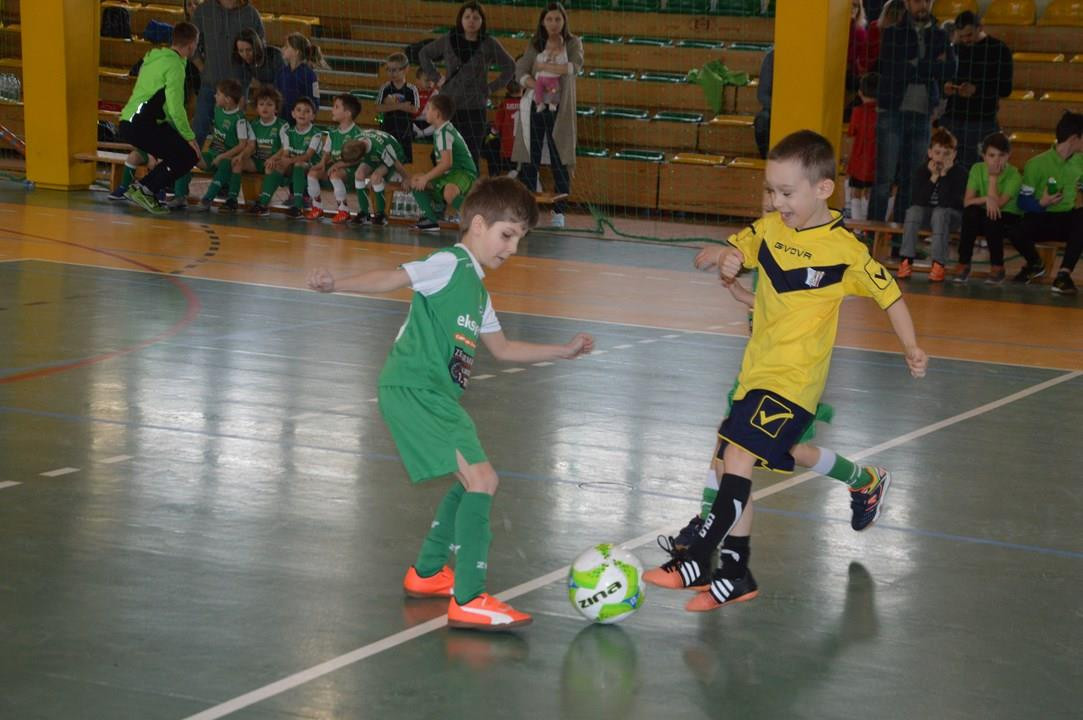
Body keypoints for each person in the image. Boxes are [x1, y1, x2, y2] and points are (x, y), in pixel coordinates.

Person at [641, 130, 928, 612]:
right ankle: (736, 573)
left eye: (787, 192)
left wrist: (912, 346)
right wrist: (726, 260)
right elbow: (738, 251)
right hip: (755, 372)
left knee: (736, 457)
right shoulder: (770, 229)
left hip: (793, 383)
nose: (776, 201)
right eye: (771, 190)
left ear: (823, 189)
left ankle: (698, 557)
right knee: (733, 461)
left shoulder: (845, 251)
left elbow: (890, 295)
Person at [306, 177, 595, 630]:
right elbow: (393, 277)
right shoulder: (449, 263)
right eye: (507, 235)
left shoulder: (478, 291)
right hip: (414, 389)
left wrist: (563, 351)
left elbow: (503, 349)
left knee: (471, 480)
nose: (513, 248)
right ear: (478, 225)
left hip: (433, 395)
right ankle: (469, 597)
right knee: (483, 479)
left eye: (519, 239)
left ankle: (427, 572)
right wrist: (336, 284)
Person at [868, 0, 953, 223]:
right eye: (917, 0)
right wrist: (931, 65)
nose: (922, 4)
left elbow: (950, 69)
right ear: (906, 3)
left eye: (926, 0)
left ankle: (900, 236)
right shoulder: (893, 34)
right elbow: (894, 68)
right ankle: (871, 233)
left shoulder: (940, 35)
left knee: (912, 180)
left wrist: (916, 64)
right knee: (884, 178)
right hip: (892, 112)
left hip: (923, 114)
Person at [119, 22, 202, 215]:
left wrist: (179, 135)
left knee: (179, 152)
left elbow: (159, 103)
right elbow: (175, 107)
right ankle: (145, 190)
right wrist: (189, 137)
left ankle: (142, 188)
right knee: (189, 155)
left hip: (130, 121)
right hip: (141, 124)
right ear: (192, 45)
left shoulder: (154, 57)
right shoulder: (175, 66)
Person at [419, 1, 515, 167]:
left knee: (470, 155)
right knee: (441, 154)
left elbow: (510, 66)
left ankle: (470, 184)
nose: (471, 21)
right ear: (460, 19)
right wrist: (436, 77)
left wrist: (490, 88)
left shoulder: (489, 43)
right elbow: (424, 54)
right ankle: (445, 183)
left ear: (482, 21)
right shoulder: (449, 39)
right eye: (467, 17)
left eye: (476, 18)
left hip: (474, 108)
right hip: (448, 106)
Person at [514, 2, 582, 228]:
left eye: (557, 19)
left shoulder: (573, 43)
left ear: (564, 21)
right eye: (549, 19)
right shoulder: (535, 44)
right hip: (535, 105)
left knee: (559, 158)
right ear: (543, 22)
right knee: (529, 158)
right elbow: (520, 70)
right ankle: (526, 210)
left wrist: (547, 70)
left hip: (560, 109)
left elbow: (574, 66)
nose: (553, 23)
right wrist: (536, 85)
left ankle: (559, 211)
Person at [1010, 111, 1083, 294]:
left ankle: (1063, 276)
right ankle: (1035, 264)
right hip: (1041, 217)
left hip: (1067, 218)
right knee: (1013, 228)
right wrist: (1042, 203)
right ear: (1074, 138)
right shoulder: (1036, 164)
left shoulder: (1080, 162)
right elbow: (1022, 201)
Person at [940, 11, 1013, 174]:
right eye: (962, 36)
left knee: (977, 172)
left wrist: (977, 90)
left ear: (980, 27)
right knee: (947, 171)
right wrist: (946, 88)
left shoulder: (998, 49)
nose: (966, 40)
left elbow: (1006, 89)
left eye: (969, 35)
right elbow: (941, 78)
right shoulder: (954, 49)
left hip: (982, 120)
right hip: (953, 118)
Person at [169, 78, 250, 212]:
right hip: (212, 155)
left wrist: (222, 156)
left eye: (218, 94)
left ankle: (207, 199)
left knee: (225, 164)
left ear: (228, 99)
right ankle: (180, 196)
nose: (215, 96)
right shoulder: (217, 110)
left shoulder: (239, 120)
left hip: (228, 158)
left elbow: (242, 145)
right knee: (186, 156)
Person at [897, 127, 967, 281]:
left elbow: (948, 203)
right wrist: (934, 177)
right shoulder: (922, 170)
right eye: (937, 152)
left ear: (954, 155)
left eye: (946, 153)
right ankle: (906, 260)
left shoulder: (960, 173)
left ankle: (938, 264)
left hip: (951, 218)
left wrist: (944, 175)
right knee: (913, 211)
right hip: (927, 217)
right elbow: (918, 201)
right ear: (930, 153)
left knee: (940, 212)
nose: (941, 157)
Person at [190, 0, 263, 145]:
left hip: (238, 88)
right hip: (210, 84)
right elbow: (192, 44)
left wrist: (246, 85)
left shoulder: (251, 14)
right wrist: (202, 68)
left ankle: (226, 160)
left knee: (233, 135)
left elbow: (259, 50)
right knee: (199, 129)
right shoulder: (204, 10)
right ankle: (188, 159)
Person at [953, 132, 1022, 284]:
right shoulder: (977, 169)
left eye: (1001, 155)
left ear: (1008, 156)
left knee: (993, 217)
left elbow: (998, 205)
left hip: (1006, 217)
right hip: (983, 215)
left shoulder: (1014, 175)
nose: (996, 160)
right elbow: (967, 202)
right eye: (991, 155)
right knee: (970, 212)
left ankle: (997, 267)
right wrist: (986, 199)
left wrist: (993, 178)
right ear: (984, 156)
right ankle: (963, 263)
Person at [409, 94, 479, 232]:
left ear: (437, 114)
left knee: (449, 192)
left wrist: (426, 177)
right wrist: (425, 179)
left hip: (464, 172)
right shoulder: (439, 130)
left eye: (428, 108)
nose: (425, 111)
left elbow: (446, 163)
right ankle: (432, 219)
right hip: (451, 173)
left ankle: (475, 221)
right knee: (415, 181)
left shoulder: (444, 132)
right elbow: (443, 165)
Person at [304, 93, 366, 223]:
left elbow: (360, 158)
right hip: (335, 167)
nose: (332, 110)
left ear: (347, 113)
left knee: (334, 175)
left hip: (353, 169)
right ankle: (317, 207)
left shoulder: (358, 134)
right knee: (312, 173)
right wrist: (322, 163)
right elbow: (327, 152)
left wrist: (339, 165)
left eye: (336, 107)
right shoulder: (332, 133)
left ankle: (343, 210)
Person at [266, 96, 324, 218]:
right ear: (293, 114)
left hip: (313, 167)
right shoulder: (288, 132)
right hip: (294, 163)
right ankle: (263, 203)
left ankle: (298, 206)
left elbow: (308, 156)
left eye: (307, 111)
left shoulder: (316, 133)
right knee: (275, 165)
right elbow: (285, 153)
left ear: (313, 116)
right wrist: (279, 161)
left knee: (299, 164)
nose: (302, 113)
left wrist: (288, 161)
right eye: (299, 110)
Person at [236, 85, 287, 215]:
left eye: (269, 104)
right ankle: (232, 198)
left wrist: (273, 158)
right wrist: (241, 156)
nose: (265, 107)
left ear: (276, 108)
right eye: (261, 104)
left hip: (274, 161)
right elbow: (251, 146)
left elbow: (285, 148)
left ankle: (263, 204)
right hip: (257, 161)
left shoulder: (282, 125)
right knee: (237, 163)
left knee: (270, 167)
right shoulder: (253, 124)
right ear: (256, 107)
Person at [352, 128, 411, 227]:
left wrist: (406, 178)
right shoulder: (356, 141)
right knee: (358, 174)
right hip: (374, 155)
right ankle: (364, 212)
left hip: (394, 155)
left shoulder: (380, 147)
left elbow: (395, 162)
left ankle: (381, 214)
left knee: (376, 177)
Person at [376, 52, 420, 164]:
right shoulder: (385, 88)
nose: (391, 73)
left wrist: (389, 105)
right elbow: (378, 108)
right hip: (387, 128)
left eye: (395, 70)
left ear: (406, 69)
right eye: (388, 70)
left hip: (405, 130)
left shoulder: (411, 89)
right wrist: (401, 106)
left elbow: (415, 109)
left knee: (405, 160)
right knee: (386, 160)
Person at [848, 72, 879, 221]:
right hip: (877, 159)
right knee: (870, 192)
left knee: (855, 191)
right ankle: (868, 224)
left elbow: (851, 133)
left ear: (860, 92)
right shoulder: (882, 114)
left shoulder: (858, 111)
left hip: (859, 160)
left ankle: (857, 227)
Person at [276, 33, 325, 124]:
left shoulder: (309, 75)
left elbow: (315, 102)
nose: (283, 49)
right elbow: (276, 96)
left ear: (296, 51)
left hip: (301, 124)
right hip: (282, 122)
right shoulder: (281, 72)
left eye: (287, 47)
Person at [484, 80, 522, 177]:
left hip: (508, 145)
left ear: (507, 90)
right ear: (522, 89)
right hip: (523, 146)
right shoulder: (525, 103)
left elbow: (497, 125)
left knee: (490, 144)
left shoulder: (504, 104)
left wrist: (489, 137)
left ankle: (496, 175)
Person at [233, 28, 284, 97]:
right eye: (241, 51)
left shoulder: (276, 56)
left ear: (256, 47)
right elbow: (243, 88)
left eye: (249, 50)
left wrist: (260, 85)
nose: (245, 55)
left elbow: (283, 85)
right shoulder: (240, 60)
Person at [753, 49, 774, 159]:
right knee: (762, 121)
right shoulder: (772, 57)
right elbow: (762, 94)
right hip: (774, 108)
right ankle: (767, 158)